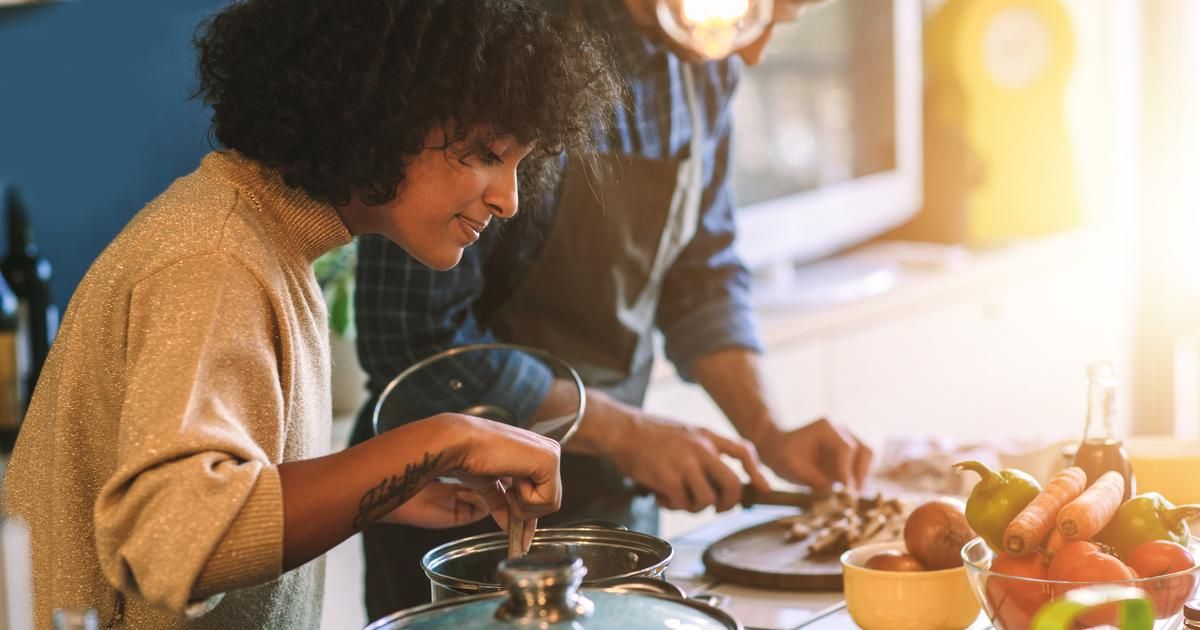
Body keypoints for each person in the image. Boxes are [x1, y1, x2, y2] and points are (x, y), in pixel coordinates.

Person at [2, 0, 620, 628]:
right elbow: (173, 538)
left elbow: (230, 478)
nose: (509, 200)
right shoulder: (215, 257)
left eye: (520, 164)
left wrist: (378, 493)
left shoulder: (263, 241)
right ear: (385, 109)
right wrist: (443, 438)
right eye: (489, 152)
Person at [351, 0, 875, 619]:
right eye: (752, 14)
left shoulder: (705, 66)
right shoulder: (490, 50)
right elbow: (417, 339)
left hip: (611, 503)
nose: (755, 52)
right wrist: (625, 433)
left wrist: (767, 432)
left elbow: (701, 271)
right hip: (461, 512)